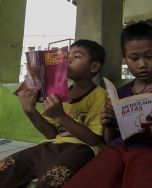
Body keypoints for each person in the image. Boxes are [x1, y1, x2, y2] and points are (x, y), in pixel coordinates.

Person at [64, 22, 152, 188]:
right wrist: (108, 124)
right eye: (134, 58)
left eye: (148, 56)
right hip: (117, 151)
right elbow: (110, 140)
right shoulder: (120, 93)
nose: (142, 64)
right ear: (124, 58)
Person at [0, 39, 107, 188]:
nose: (68, 60)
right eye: (67, 56)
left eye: (76, 57)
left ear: (94, 66)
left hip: (82, 149)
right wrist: (30, 110)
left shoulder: (100, 96)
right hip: (51, 146)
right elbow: (51, 134)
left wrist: (60, 116)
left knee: (52, 181)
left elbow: (93, 140)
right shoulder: (58, 94)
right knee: (6, 168)